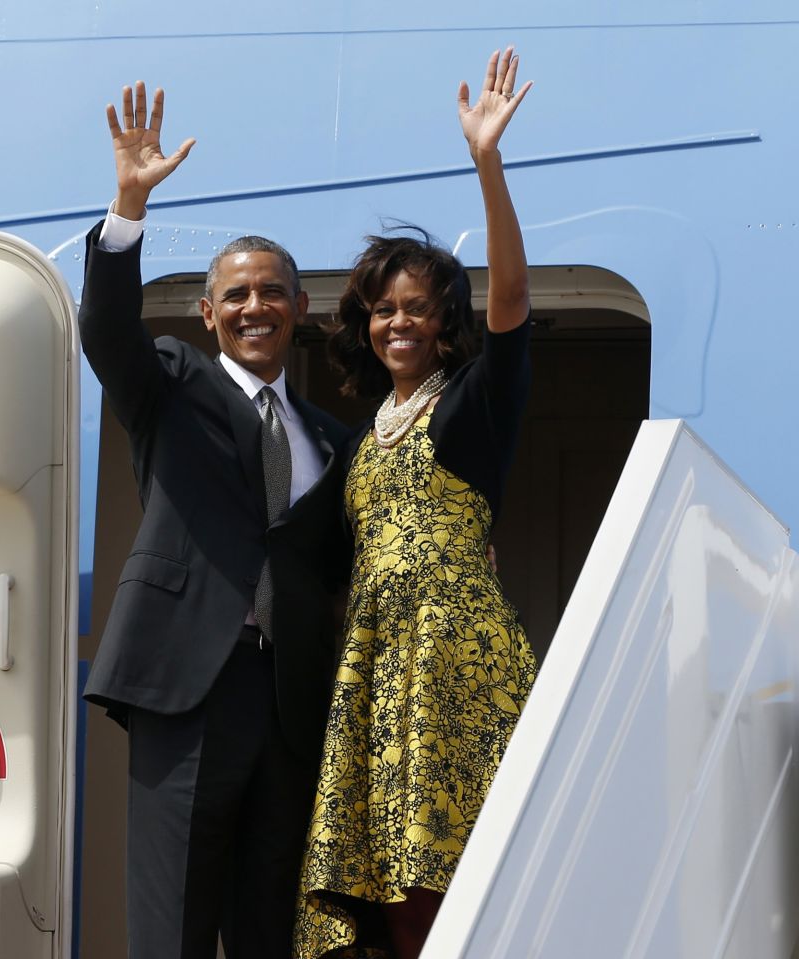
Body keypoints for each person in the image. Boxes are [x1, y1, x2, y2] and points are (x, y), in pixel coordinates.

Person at [79, 81, 351, 958]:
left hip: (289, 699)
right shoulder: (170, 383)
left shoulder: (332, 441)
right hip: (189, 685)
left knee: (272, 919)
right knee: (177, 922)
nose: (254, 307)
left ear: (299, 309)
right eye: (234, 296)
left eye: (272, 292)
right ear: (208, 314)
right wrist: (129, 207)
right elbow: (106, 333)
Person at [294, 48, 540, 959]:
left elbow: (513, 300)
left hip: (455, 662)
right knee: (385, 877)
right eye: (383, 308)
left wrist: (488, 165)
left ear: (445, 320)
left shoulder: (472, 403)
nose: (399, 322)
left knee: (444, 868)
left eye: (418, 308)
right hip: (378, 663)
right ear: (366, 321)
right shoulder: (359, 442)